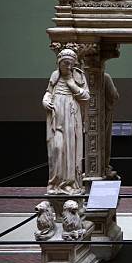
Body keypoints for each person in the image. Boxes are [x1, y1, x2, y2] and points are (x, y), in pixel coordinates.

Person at [43, 49, 90, 195]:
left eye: (71, 63)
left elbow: (86, 96)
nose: (68, 66)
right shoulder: (55, 75)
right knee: (57, 148)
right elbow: (49, 92)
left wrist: (72, 84)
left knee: (70, 149)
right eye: (65, 63)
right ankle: (56, 183)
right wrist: (45, 100)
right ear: (59, 62)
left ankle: (69, 183)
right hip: (56, 116)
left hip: (71, 115)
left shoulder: (78, 76)